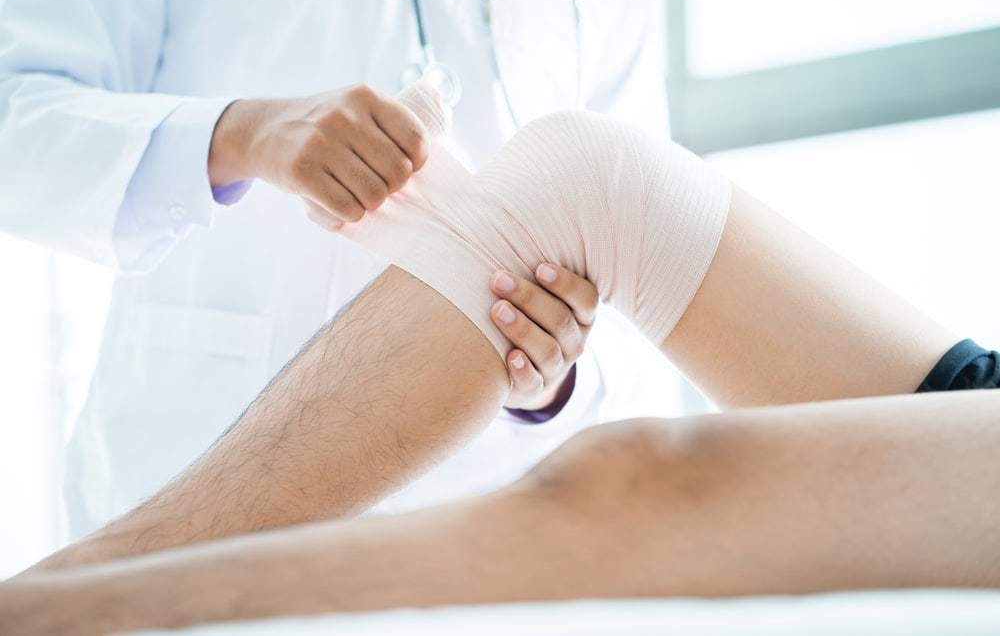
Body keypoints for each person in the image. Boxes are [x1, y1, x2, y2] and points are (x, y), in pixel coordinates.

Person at [4, 88, 997, 635]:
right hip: (182, 418)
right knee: (588, 173)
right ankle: (58, 598)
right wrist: (239, 131)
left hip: (472, 446)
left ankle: (49, 611)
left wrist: (550, 362)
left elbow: (597, 322)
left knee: (629, 480)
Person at [0, 0, 669, 541]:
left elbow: (638, 259)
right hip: (200, 490)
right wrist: (239, 134)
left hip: (490, 523)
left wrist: (552, 376)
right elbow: (15, 125)